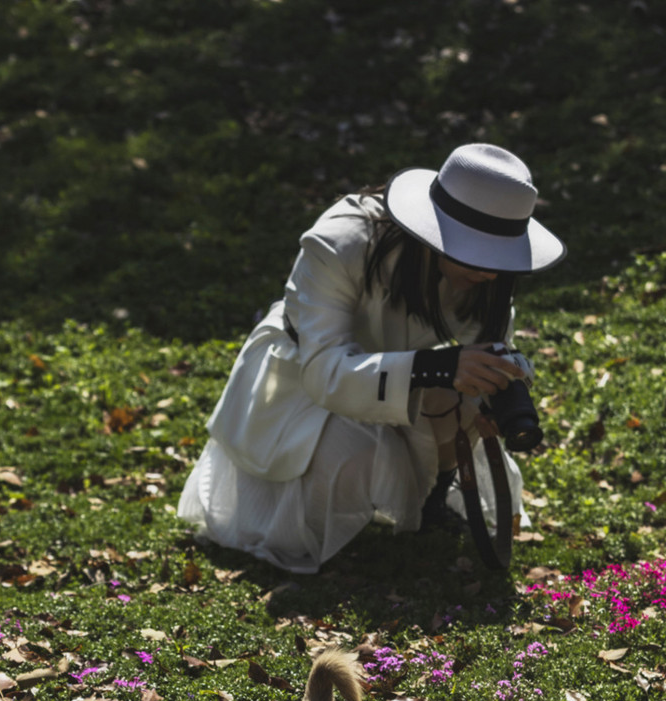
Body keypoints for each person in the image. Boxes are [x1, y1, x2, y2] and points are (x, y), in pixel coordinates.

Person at [177, 143, 566, 574]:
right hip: (301, 379)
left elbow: (489, 347)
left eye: (500, 255)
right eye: (478, 251)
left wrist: (495, 388)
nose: (491, 272)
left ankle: (431, 500)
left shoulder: (488, 276)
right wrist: (437, 367)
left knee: (469, 395)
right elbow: (323, 371)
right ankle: (327, 517)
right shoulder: (341, 241)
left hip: (390, 371)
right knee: (353, 456)